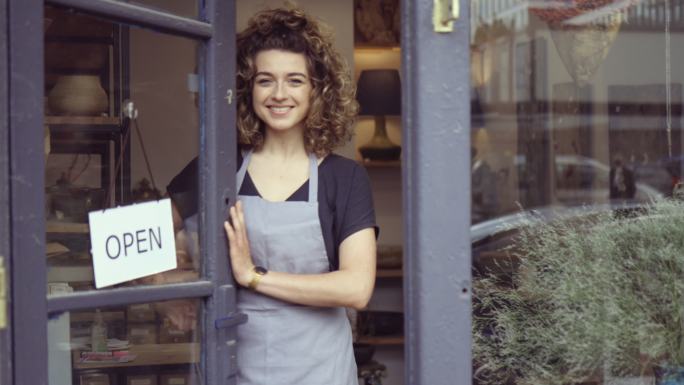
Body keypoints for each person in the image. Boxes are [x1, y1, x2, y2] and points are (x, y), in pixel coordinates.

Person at [223, 8, 377, 385]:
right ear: (248, 88)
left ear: (317, 90)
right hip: (236, 371)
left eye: (294, 80)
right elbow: (159, 235)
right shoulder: (219, 168)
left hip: (321, 373)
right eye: (265, 81)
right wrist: (171, 282)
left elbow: (356, 288)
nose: (279, 95)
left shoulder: (344, 178)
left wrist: (254, 276)